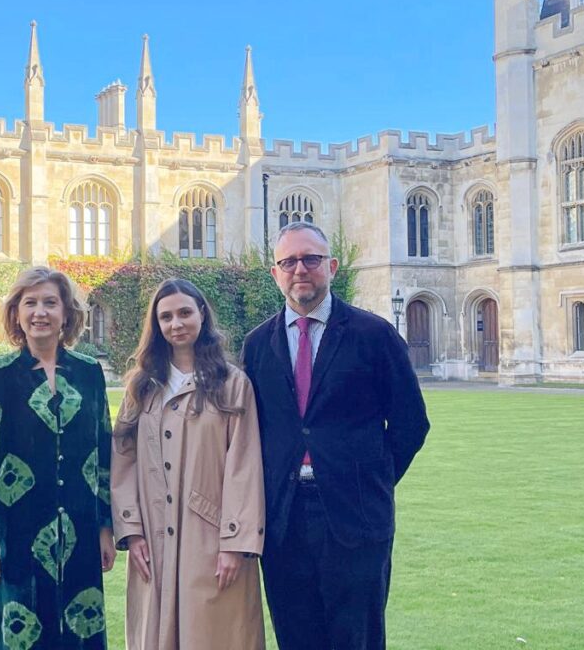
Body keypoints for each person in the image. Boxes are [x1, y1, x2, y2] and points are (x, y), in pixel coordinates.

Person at [241, 222, 430, 650]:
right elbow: (251, 432)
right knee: (296, 638)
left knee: (357, 639)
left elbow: (411, 424)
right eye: (288, 261)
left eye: (311, 259)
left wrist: (370, 479)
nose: (299, 269)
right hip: (284, 521)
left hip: (356, 517)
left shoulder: (374, 335)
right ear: (275, 273)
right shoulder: (257, 345)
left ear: (332, 266)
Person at [112, 278, 266, 650]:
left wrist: (234, 543)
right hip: (153, 537)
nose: (176, 324)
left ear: (202, 315)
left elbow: (244, 464)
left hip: (212, 537)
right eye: (166, 317)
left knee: (214, 635)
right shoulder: (142, 387)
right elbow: (123, 459)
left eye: (184, 313)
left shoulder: (232, 384)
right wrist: (132, 530)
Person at [0, 266, 117, 650]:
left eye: (50, 303)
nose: (40, 312)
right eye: (30, 303)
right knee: (19, 636)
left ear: (66, 313)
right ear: (16, 313)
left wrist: (105, 525)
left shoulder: (88, 373)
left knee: (79, 634)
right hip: (14, 533)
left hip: (80, 531)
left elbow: (103, 450)